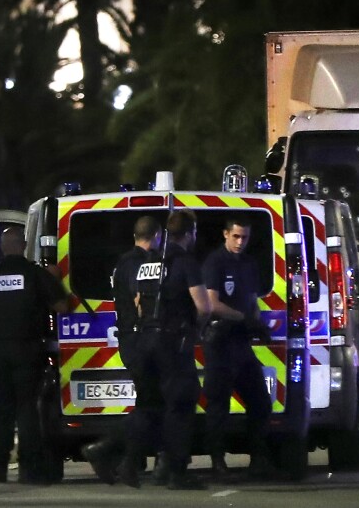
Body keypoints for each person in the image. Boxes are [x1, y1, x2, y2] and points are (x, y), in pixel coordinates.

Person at [0, 227, 68, 483]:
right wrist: (55, 283)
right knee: (27, 409)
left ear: (2, 247)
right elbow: (62, 307)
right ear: (22, 246)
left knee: (3, 410)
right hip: (28, 350)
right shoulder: (35, 274)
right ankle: (28, 467)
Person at [117, 209, 211, 490]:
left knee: (149, 405)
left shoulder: (149, 262)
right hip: (172, 342)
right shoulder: (185, 262)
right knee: (181, 404)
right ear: (191, 233)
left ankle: (129, 463)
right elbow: (204, 306)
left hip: (145, 340)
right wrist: (196, 327)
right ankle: (176, 472)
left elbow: (137, 301)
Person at [83, 216, 166, 485]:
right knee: (150, 406)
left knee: (149, 404)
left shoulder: (122, 262)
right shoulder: (138, 264)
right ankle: (103, 448)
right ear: (156, 235)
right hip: (139, 340)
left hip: (133, 341)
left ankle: (129, 462)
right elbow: (140, 299)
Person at [202, 217, 274, 481]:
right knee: (218, 406)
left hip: (241, 344)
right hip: (220, 343)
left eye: (244, 237)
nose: (240, 242)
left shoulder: (249, 264)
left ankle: (258, 459)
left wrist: (257, 323)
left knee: (260, 402)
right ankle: (218, 462)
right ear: (225, 234)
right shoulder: (215, 262)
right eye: (236, 237)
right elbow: (212, 304)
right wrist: (244, 319)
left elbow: (252, 300)